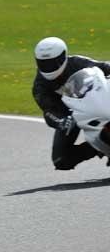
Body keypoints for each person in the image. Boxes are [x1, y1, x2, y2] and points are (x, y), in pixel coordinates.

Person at [33, 36, 110, 170]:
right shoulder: (40, 86)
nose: (48, 67)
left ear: (63, 57)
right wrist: (61, 121)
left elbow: (103, 67)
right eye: (44, 63)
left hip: (95, 102)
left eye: (52, 63)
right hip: (71, 116)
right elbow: (49, 111)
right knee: (61, 160)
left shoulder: (77, 62)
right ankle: (98, 147)